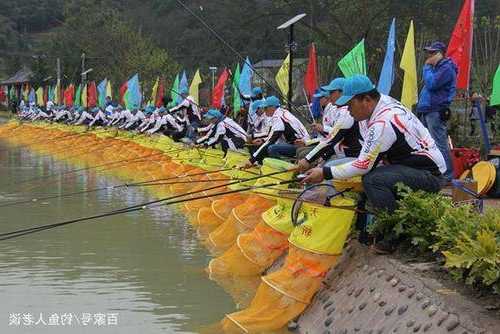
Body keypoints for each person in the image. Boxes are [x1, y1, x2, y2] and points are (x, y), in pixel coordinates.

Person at [303, 75, 445, 215]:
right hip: (408, 167)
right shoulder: (381, 105)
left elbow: (363, 165)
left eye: (350, 105)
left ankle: (391, 227)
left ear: (366, 100)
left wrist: (325, 172)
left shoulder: (383, 121)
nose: (348, 111)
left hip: (430, 175)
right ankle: (365, 222)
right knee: (366, 175)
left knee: (373, 180)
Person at [416, 41, 457, 181]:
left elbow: (432, 84)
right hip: (426, 109)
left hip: (436, 110)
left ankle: (447, 175)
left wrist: (427, 67)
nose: (429, 56)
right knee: (426, 144)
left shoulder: (446, 68)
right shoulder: (435, 69)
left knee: (439, 143)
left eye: (433, 53)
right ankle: (434, 172)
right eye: (429, 53)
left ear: (441, 54)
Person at [243, 95, 309, 167]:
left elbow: (271, 140)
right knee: (266, 147)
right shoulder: (282, 112)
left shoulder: (278, 118)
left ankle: (282, 169)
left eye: (265, 108)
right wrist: (262, 140)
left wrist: (251, 160)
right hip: (296, 143)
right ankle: (262, 165)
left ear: (272, 107)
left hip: (302, 145)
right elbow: (271, 136)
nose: (264, 111)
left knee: (272, 148)